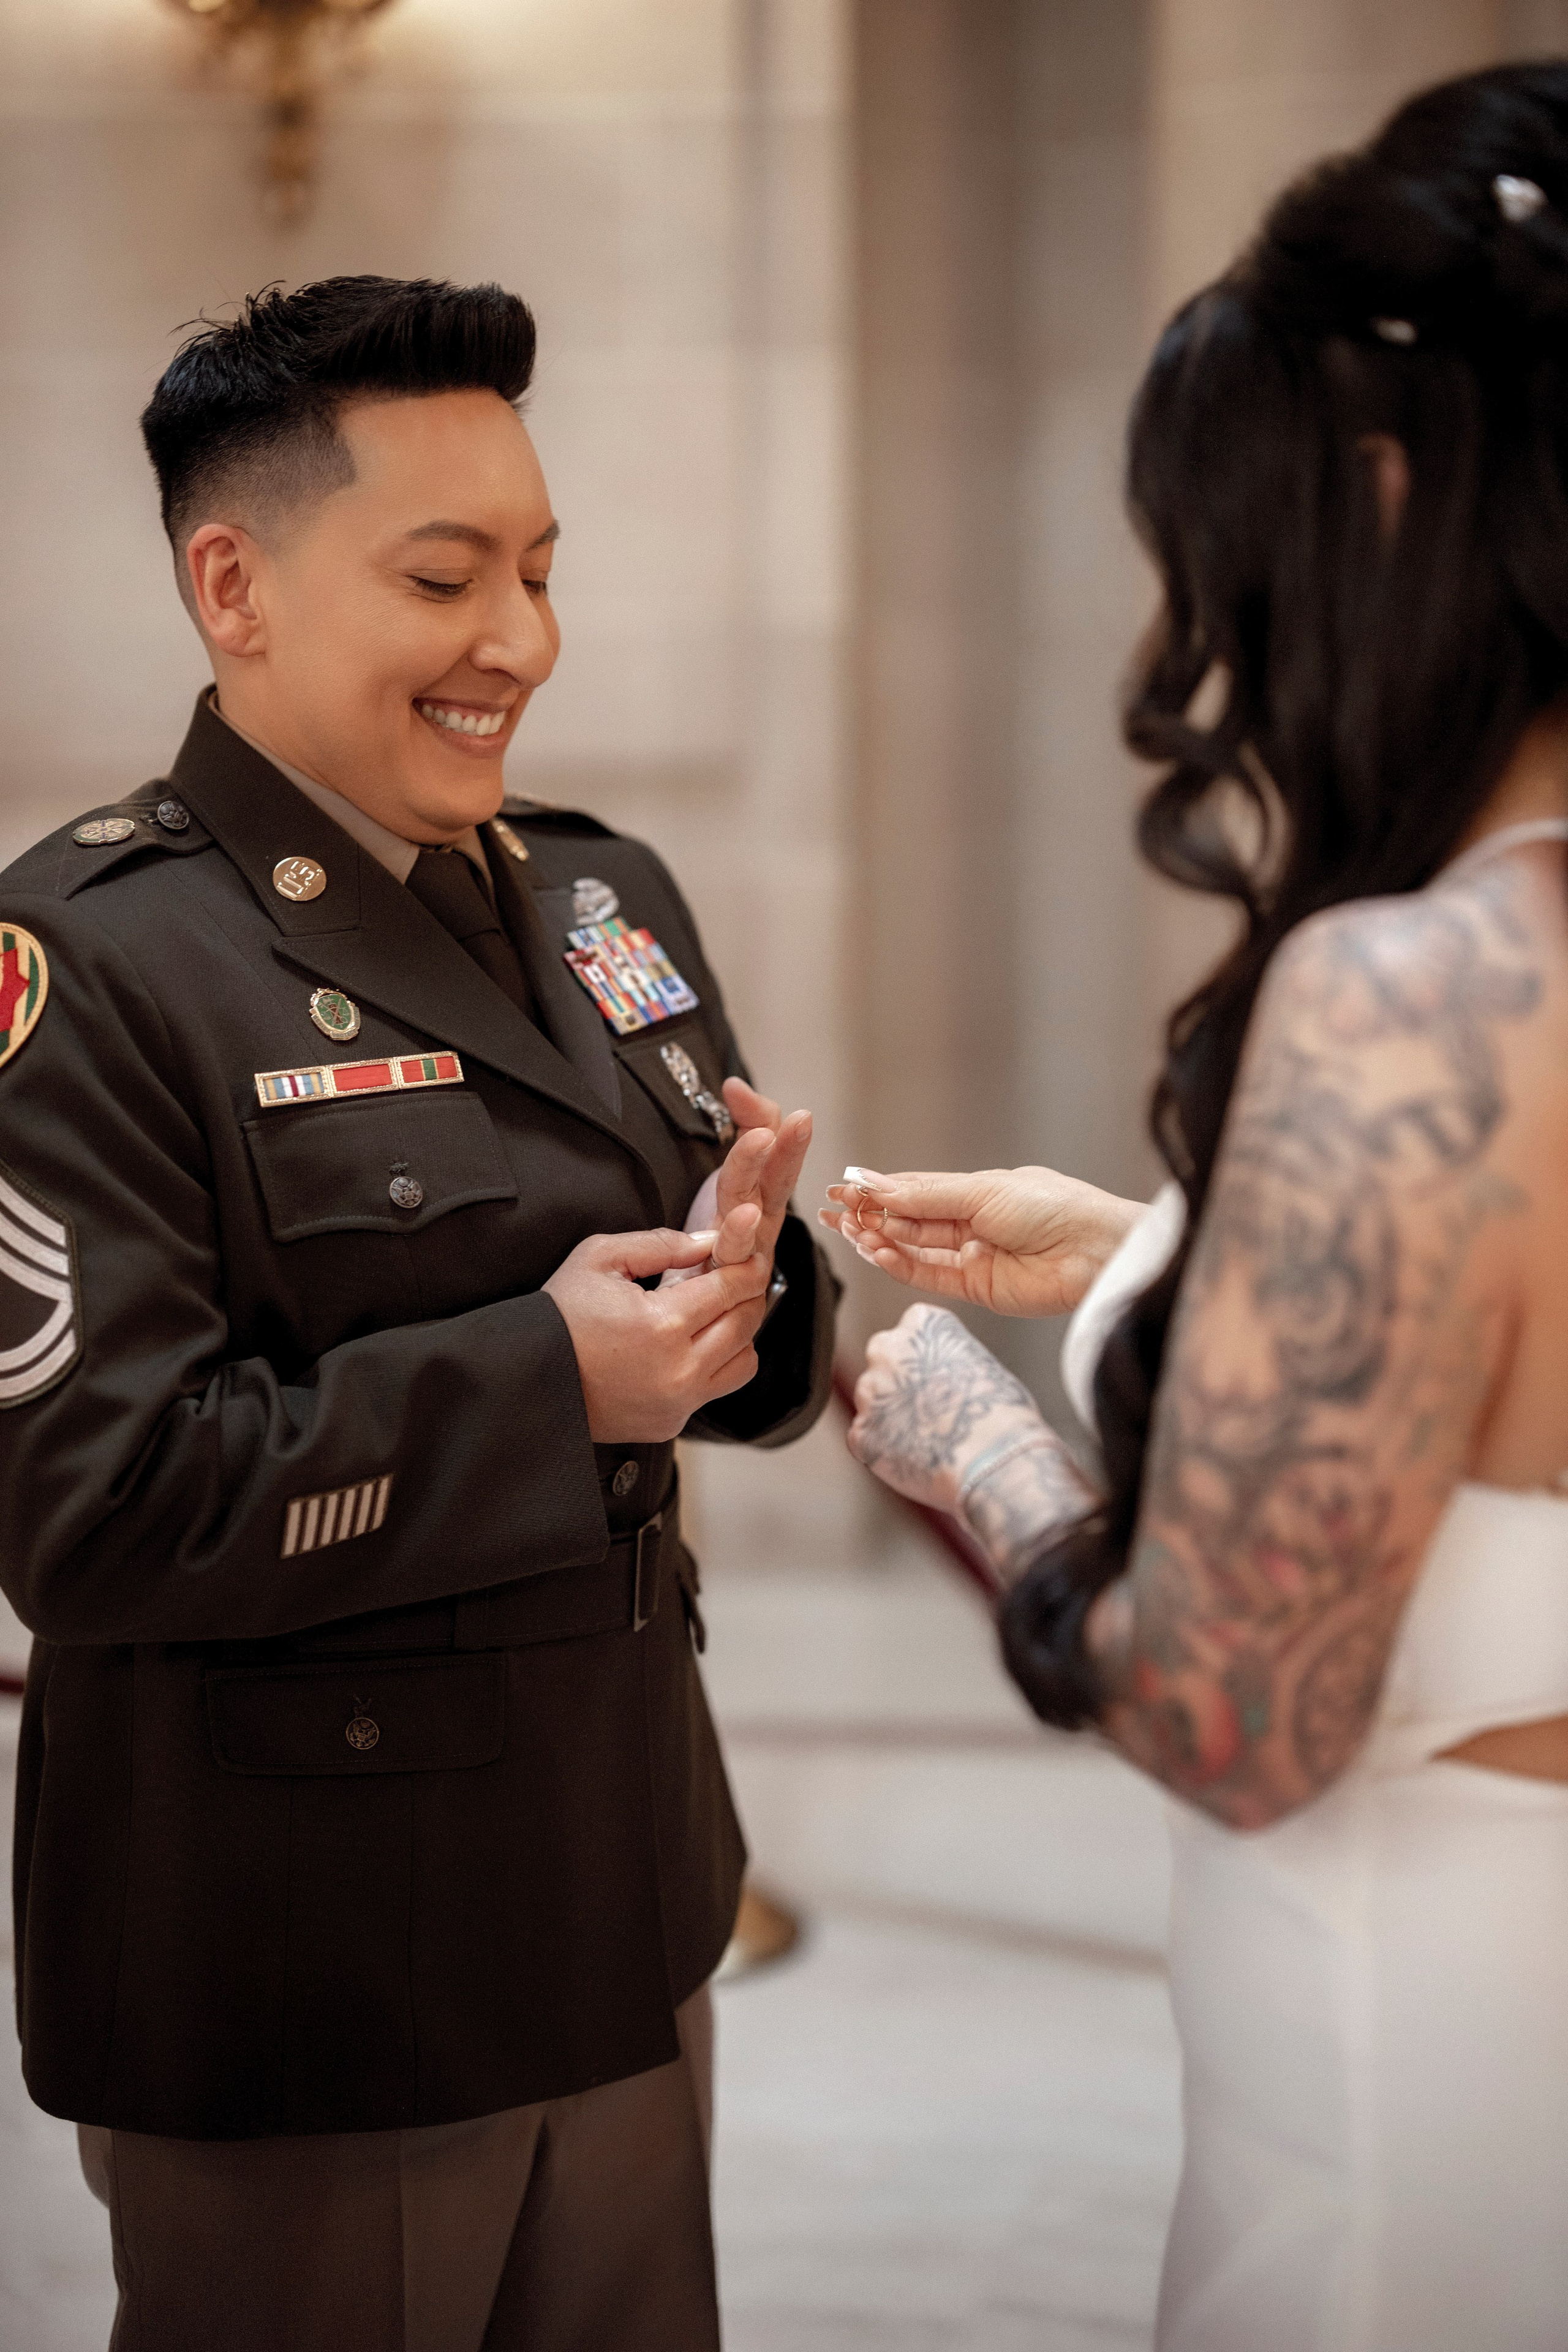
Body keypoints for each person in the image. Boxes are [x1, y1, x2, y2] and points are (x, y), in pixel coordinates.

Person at [0, 275, 837, 2352]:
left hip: (625, 1885)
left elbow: (700, 1334)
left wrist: (755, 1290)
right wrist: (555, 1374)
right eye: (448, 576)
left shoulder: (600, 890)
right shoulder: (84, 962)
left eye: (543, 571)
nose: (524, 645)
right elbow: (90, 1511)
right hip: (307, 1958)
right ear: (236, 584)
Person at [823, 64, 1568, 2352]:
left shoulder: (1424, 1000)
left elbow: (1235, 1711)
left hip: (1438, 2067)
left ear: (1377, 492)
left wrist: (987, 1456)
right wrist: (1148, 1257)